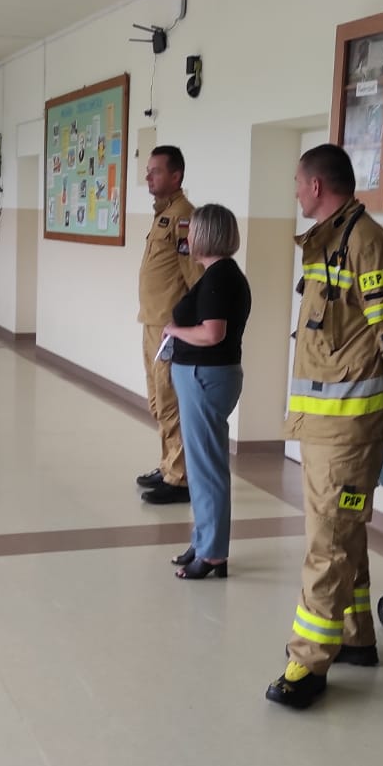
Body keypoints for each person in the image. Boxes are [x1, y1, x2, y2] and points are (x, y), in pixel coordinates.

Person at [265, 145, 383, 710]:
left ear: (316, 186)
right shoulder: (327, 241)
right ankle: (355, 636)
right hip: (325, 423)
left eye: (297, 182)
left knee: (326, 542)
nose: (295, 191)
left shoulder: (365, 243)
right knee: (342, 532)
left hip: (350, 426)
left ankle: (308, 662)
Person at [160, 204, 251, 580]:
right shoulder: (219, 274)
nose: (188, 236)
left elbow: (213, 333)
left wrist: (173, 331)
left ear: (207, 235)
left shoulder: (219, 279)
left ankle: (212, 553)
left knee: (206, 469)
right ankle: (203, 542)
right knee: (201, 469)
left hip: (205, 377)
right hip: (206, 376)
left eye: (193, 230)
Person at [135, 147, 202, 506]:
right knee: (157, 401)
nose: (148, 177)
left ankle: (180, 479)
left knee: (170, 401)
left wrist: (188, 326)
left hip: (169, 327)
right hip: (151, 322)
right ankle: (168, 465)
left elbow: (194, 276)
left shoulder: (184, 217)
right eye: (148, 170)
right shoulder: (163, 214)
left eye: (156, 171)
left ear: (176, 176)